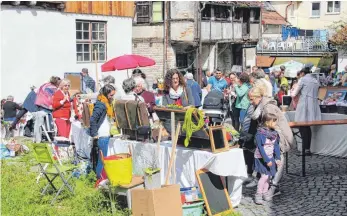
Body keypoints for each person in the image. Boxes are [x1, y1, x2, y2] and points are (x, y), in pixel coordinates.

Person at [242, 86, 293, 197]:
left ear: (259, 97)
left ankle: (274, 187)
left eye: (252, 99)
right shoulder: (261, 106)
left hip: (278, 138)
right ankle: (268, 184)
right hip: (271, 137)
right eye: (249, 99)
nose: (251, 102)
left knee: (278, 161)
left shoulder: (267, 108)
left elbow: (273, 126)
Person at [291, 65, 321, 155]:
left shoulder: (303, 79)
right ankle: (307, 149)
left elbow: (293, 94)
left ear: (303, 73)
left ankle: (305, 150)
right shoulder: (315, 80)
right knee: (307, 127)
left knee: (302, 126)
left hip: (304, 104)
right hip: (313, 104)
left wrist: (293, 90)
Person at [89, 84, 116, 178]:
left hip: (106, 134)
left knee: (103, 158)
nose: (112, 97)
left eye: (113, 95)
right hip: (102, 135)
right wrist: (94, 134)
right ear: (106, 93)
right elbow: (92, 119)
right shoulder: (101, 104)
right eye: (111, 95)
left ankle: (101, 178)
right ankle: (99, 179)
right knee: (102, 159)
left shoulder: (106, 103)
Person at [254, 113, 281, 205]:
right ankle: (258, 194)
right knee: (264, 176)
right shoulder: (260, 133)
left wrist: (277, 158)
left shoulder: (274, 133)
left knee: (269, 176)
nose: (276, 124)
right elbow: (261, 149)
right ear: (267, 122)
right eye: (274, 122)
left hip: (270, 157)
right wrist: (267, 160)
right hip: (261, 158)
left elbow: (276, 146)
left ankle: (265, 192)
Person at [33, 76, 61, 143]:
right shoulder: (53, 88)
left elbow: (37, 93)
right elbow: (54, 98)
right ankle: (49, 136)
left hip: (39, 104)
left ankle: (38, 138)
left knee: (39, 122)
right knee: (48, 122)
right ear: (57, 83)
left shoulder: (44, 85)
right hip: (46, 106)